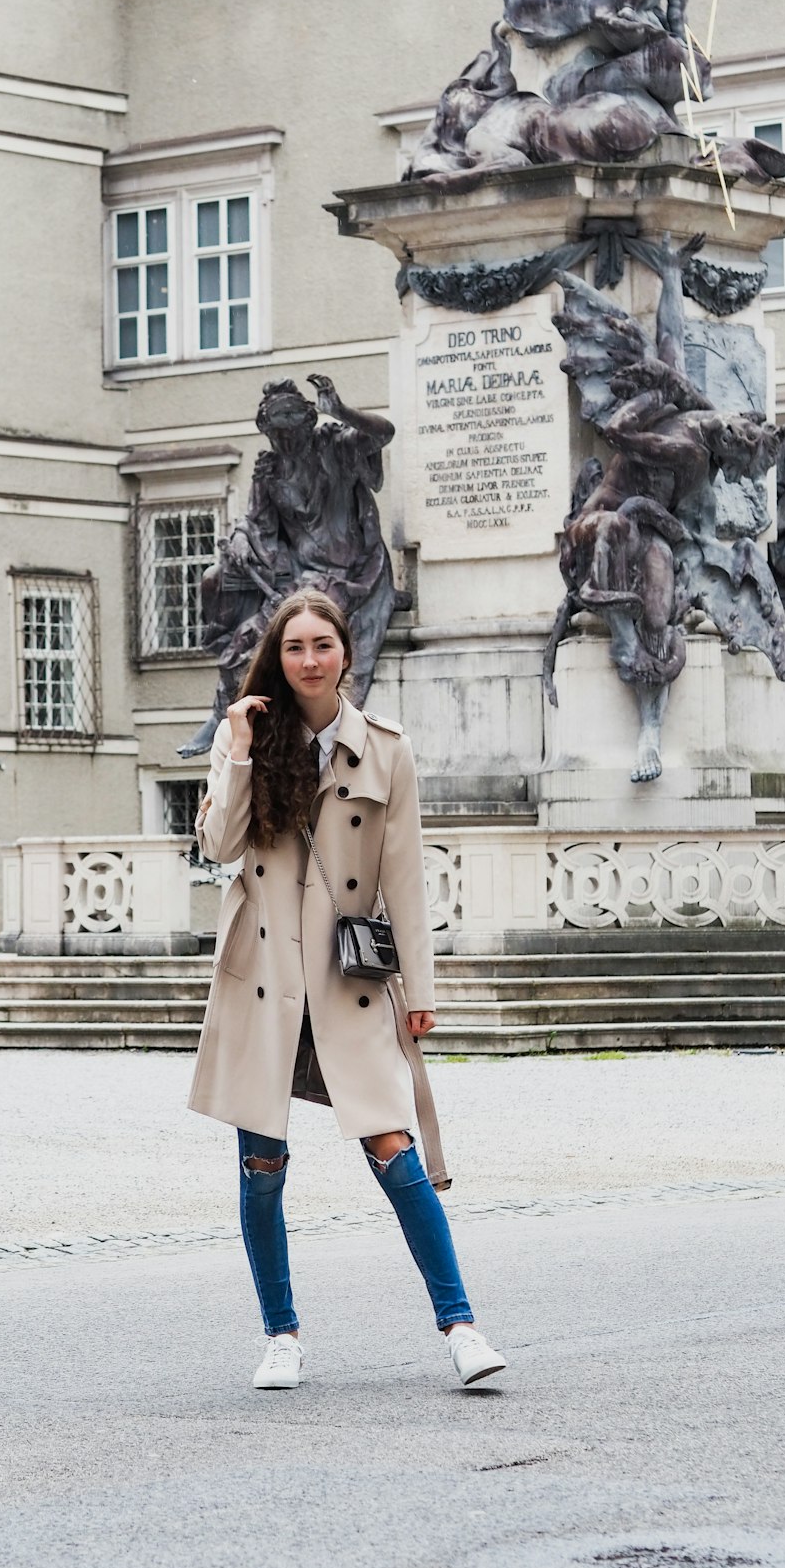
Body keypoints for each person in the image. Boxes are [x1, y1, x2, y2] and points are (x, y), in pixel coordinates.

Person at [189, 588, 506, 1391]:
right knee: (261, 1160)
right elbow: (218, 842)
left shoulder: (386, 750)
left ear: (345, 652)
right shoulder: (253, 738)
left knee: (393, 1144)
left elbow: (405, 878)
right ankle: (281, 1334)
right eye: (293, 647)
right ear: (279, 656)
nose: (306, 660)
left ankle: (461, 1326)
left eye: (320, 645)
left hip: (345, 976)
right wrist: (236, 748)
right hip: (262, 975)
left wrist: (421, 986)